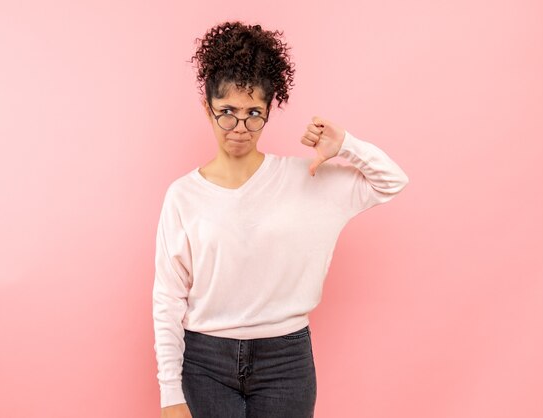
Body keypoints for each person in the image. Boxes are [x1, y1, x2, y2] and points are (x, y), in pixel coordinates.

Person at [153, 21, 410, 418]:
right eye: (227, 113)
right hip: (205, 362)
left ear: (269, 111)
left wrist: (345, 145)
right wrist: (170, 392)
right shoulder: (182, 196)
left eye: (253, 113)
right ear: (208, 109)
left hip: (286, 362)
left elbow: (392, 181)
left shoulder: (305, 180)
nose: (240, 128)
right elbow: (168, 298)